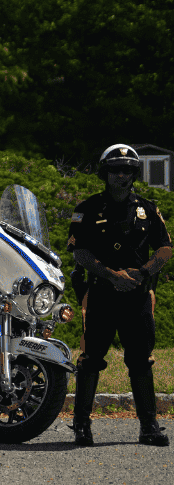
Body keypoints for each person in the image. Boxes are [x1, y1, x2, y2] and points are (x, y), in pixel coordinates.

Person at [67, 143, 171, 448]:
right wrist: (112, 275)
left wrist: (143, 273)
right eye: (115, 170)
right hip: (101, 295)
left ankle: (149, 427)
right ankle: (82, 426)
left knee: (141, 361)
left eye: (127, 170)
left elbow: (165, 248)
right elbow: (80, 252)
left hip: (137, 296)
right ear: (105, 173)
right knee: (90, 360)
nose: (121, 175)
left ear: (134, 174)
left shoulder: (148, 209)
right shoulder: (86, 209)